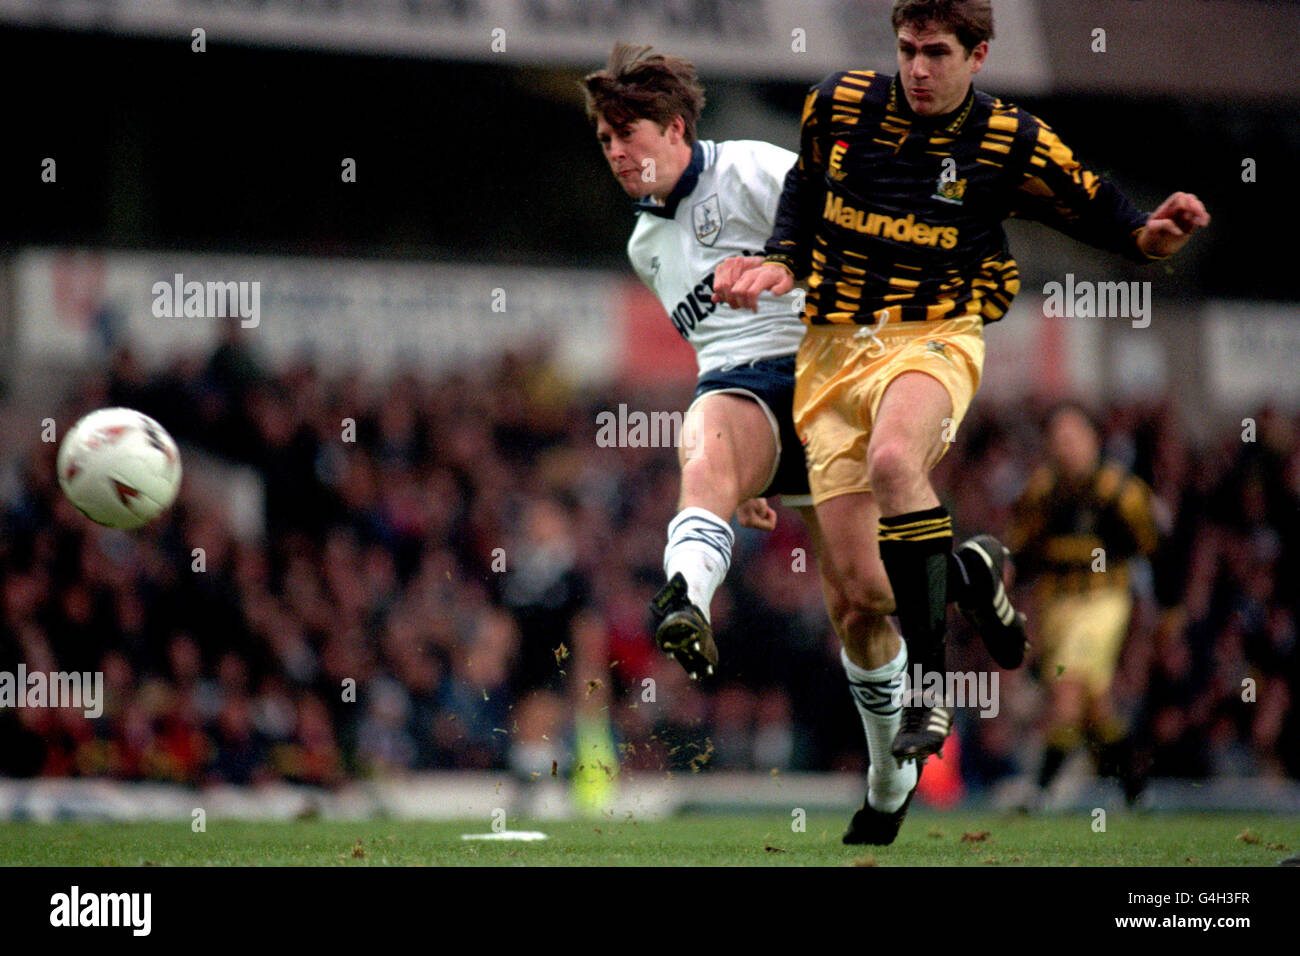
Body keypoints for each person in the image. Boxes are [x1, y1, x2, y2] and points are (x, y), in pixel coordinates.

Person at [713, 0, 1205, 781]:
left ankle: (929, 688)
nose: (918, 68)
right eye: (908, 49)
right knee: (862, 598)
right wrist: (780, 258)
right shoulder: (837, 103)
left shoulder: (1008, 139)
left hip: (932, 335)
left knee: (895, 459)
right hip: (831, 352)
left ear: (977, 56)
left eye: (937, 52)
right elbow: (805, 190)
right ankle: (972, 570)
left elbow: (1093, 204)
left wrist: (1150, 235)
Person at [583, 41, 1025, 845]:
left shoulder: (753, 169)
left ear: (677, 128)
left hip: (829, 377)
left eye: (629, 134)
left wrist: (779, 267)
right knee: (705, 442)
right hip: (743, 394)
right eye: (606, 139)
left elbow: (866, 242)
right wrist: (751, 476)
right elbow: (712, 350)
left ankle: (949, 615)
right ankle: (684, 597)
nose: (617, 152)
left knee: (864, 601)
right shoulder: (644, 248)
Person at [1007, 404, 1160, 806]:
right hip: (1055, 607)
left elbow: (1157, 548)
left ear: (1094, 441)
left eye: (1073, 437)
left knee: (1069, 686)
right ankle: (1136, 791)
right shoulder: (1040, 492)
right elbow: (1020, 553)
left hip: (1102, 602)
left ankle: (1038, 792)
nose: (1065, 446)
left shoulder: (1121, 494)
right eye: (1058, 439)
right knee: (1097, 707)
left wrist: (1169, 610)